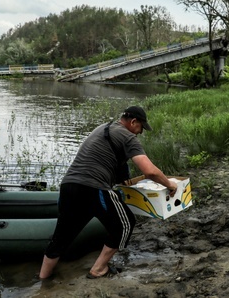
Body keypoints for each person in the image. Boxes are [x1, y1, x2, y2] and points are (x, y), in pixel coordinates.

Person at [38, 106, 178, 280]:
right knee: (125, 224)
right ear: (133, 122)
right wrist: (170, 185)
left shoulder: (103, 128)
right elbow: (150, 171)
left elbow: (113, 165)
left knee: (62, 237)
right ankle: (98, 269)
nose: (141, 133)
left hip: (68, 186)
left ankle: (43, 279)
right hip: (94, 188)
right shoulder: (128, 137)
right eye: (141, 127)